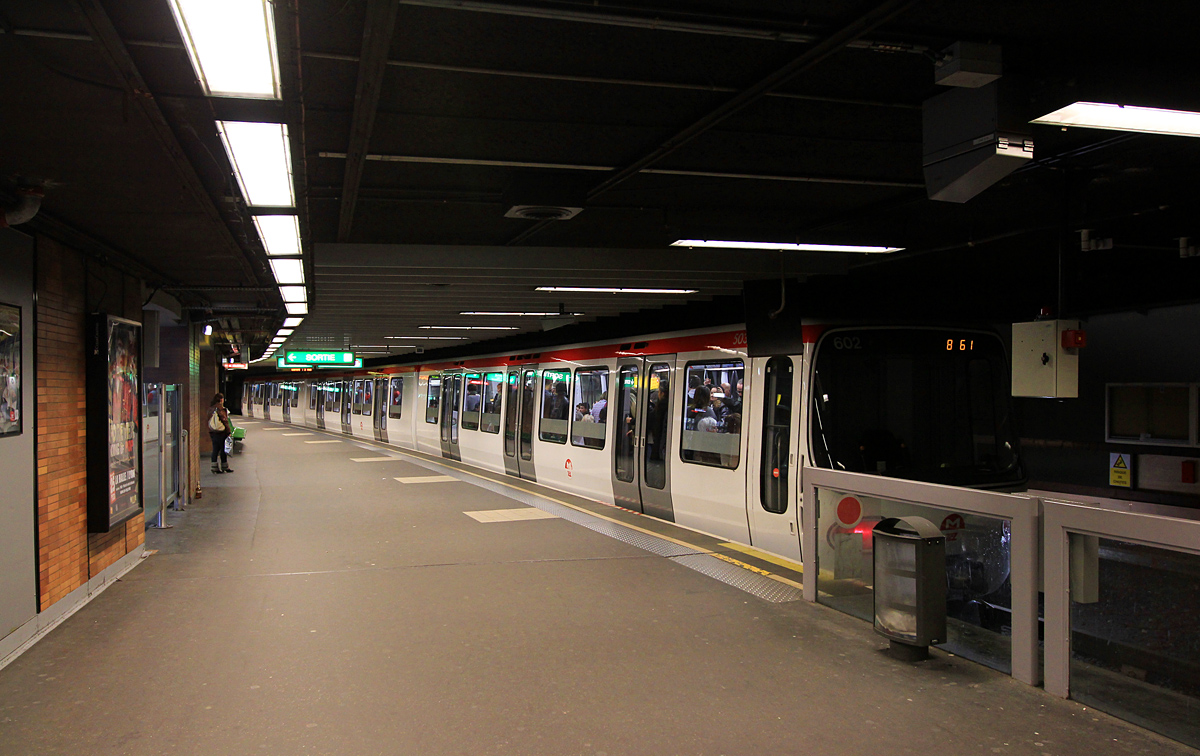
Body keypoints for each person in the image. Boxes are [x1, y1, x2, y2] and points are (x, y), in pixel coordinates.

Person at [208, 393, 234, 474]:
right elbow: (225, 421)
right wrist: (228, 431)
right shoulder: (220, 409)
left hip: (213, 432)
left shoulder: (211, 409)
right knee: (223, 450)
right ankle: (225, 467)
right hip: (221, 432)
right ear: (221, 400)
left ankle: (214, 467)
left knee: (215, 449)